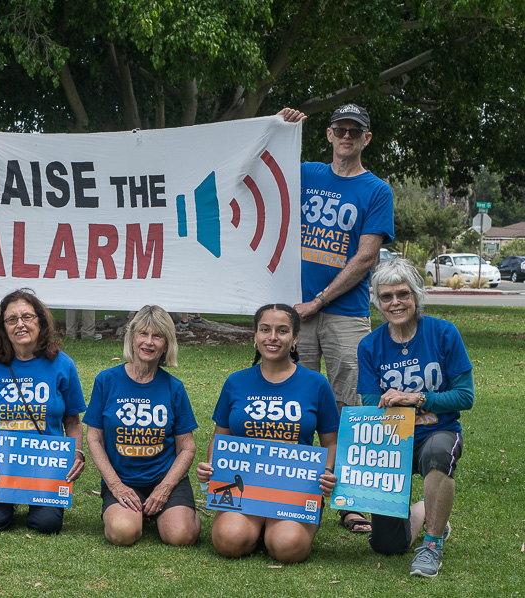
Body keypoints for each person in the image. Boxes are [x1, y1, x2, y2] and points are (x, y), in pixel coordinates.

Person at [280, 104, 394, 534]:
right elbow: (262, 165)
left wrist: (320, 300)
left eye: (355, 132)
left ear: (367, 139)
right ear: (328, 135)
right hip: (294, 313)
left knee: (349, 408)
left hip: (345, 314)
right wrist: (281, 125)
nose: (346, 137)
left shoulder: (376, 190)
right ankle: (290, 491)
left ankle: (350, 501)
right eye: (340, 130)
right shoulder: (308, 173)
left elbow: (366, 256)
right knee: (292, 405)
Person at [196, 304, 338, 563]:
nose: (273, 337)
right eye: (265, 329)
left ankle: (274, 527)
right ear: (255, 336)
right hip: (244, 488)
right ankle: (254, 526)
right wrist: (210, 470)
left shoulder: (316, 383)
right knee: (229, 541)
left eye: (282, 331)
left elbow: (332, 441)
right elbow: (220, 438)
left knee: (288, 547)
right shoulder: (235, 382)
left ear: (294, 338)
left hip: (295, 490)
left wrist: (327, 472)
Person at [358, 258, 473, 578]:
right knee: (387, 545)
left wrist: (418, 398)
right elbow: (370, 403)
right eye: (386, 296)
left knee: (438, 453)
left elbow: (465, 397)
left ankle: (432, 545)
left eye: (403, 294)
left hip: (438, 431)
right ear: (377, 301)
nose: (395, 302)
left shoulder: (444, 333)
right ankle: (431, 509)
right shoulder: (369, 345)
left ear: (417, 295)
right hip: (392, 439)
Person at [0, 290, 86, 534]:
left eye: (27, 317)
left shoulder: (63, 364)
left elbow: (72, 421)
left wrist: (77, 454)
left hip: (45, 465)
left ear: (40, 321)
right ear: (3, 327)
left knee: (47, 525)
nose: (20, 324)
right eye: (11, 319)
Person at [85, 305, 201, 546]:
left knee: (181, 536)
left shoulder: (174, 387)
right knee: (123, 533)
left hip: (165, 477)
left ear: (166, 344)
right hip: (123, 479)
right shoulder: (106, 381)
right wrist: (115, 485)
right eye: (143, 334)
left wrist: (165, 488)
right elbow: (94, 439)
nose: (149, 342)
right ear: (132, 337)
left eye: (157, 336)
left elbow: (187, 447)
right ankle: (133, 513)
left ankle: (174, 512)